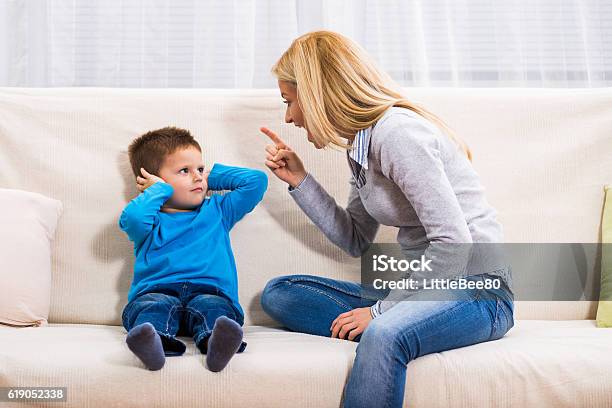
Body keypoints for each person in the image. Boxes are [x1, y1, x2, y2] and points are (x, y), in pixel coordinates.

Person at [258, 31, 514, 408]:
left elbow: (454, 245)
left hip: (477, 292)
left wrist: (381, 313)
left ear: (316, 95)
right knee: (281, 293)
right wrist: (300, 180)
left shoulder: (398, 134)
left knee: (383, 333)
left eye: (290, 101)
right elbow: (355, 238)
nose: (289, 117)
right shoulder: (360, 145)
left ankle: (400, 328)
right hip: (421, 290)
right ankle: (412, 324)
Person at [119, 126, 267, 372]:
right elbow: (131, 219)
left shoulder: (218, 210)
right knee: (152, 307)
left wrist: (210, 177)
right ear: (153, 181)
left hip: (211, 292)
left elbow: (256, 182)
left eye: (199, 168)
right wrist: (159, 191)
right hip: (157, 291)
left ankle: (217, 343)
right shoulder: (151, 220)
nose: (197, 177)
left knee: (213, 308)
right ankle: (153, 344)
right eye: (184, 171)